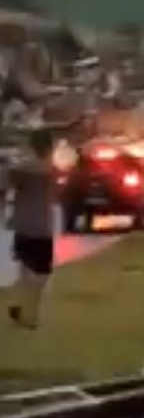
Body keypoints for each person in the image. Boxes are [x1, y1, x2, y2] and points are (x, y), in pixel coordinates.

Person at [2, 129, 58, 329]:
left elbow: (4, 186)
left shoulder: (22, 168)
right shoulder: (50, 168)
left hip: (24, 223)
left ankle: (22, 307)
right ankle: (30, 314)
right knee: (41, 273)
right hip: (41, 226)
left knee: (26, 268)